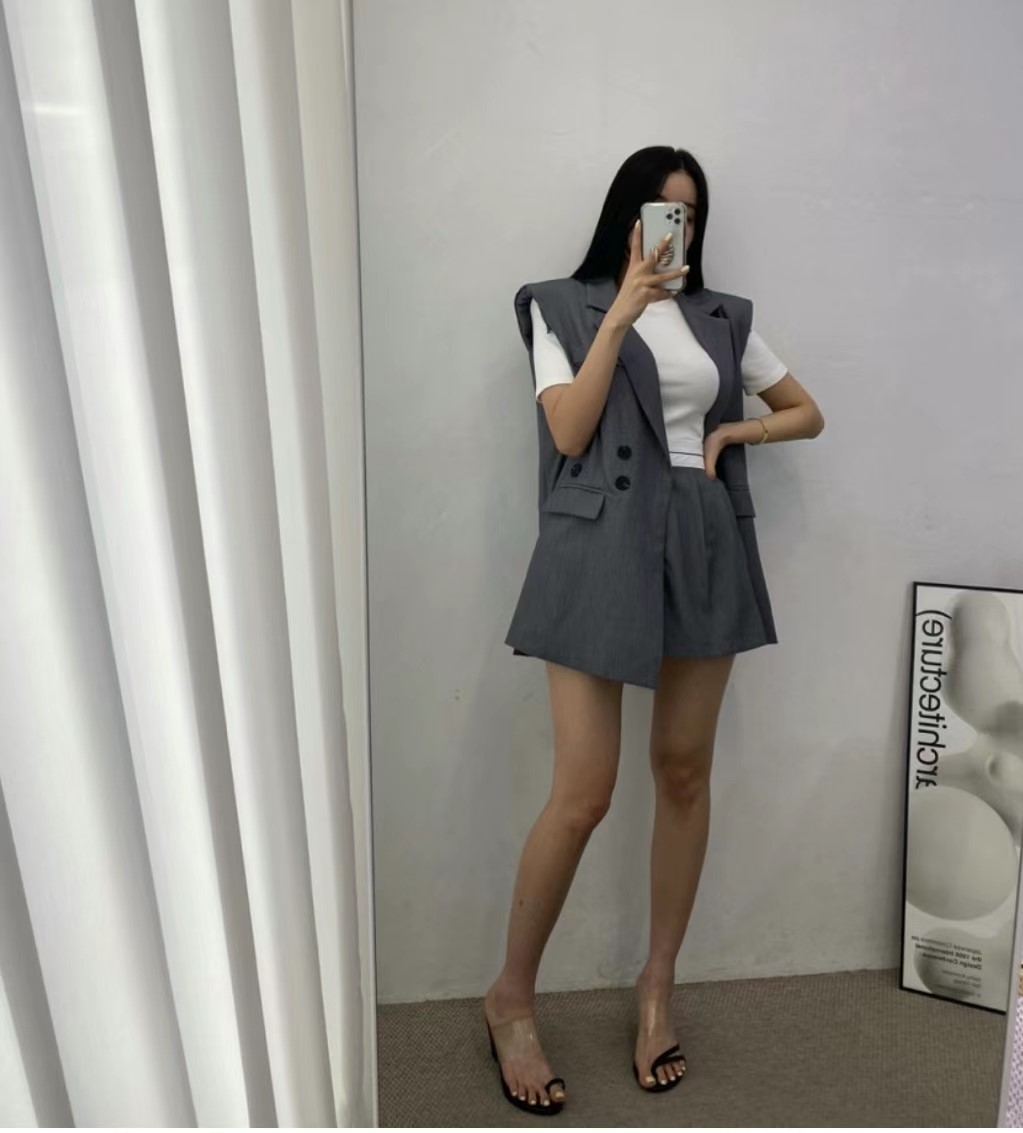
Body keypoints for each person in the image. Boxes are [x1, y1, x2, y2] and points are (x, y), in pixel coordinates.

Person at [485, 146, 825, 1114]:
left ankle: (656, 988)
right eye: (661, 210)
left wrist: (733, 432)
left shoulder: (724, 318)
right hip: (598, 541)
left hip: (702, 536)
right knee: (582, 793)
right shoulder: (560, 305)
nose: (677, 229)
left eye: (690, 214)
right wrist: (623, 310)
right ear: (625, 218)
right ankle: (511, 997)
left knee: (682, 771)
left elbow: (805, 411)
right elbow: (568, 432)